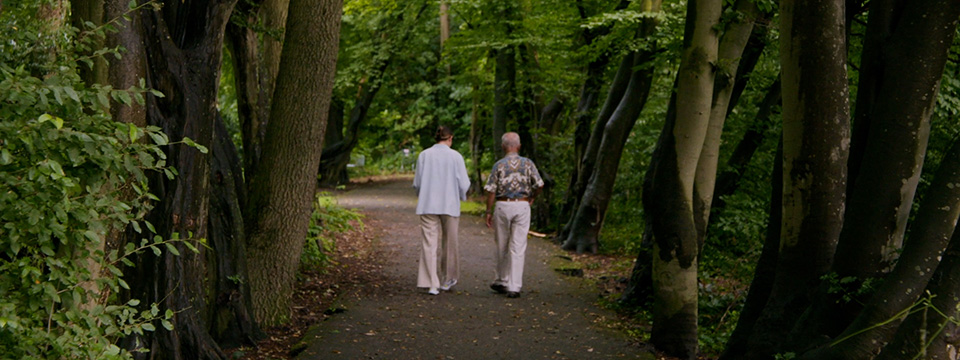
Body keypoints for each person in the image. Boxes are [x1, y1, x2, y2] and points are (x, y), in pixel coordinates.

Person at [484, 132, 544, 298]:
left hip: (503, 205)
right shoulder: (528, 164)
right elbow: (540, 184)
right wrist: (532, 196)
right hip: (523, 205)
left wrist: (488, 211)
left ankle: (502, 279)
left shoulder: (499, 165)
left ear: (504, 146)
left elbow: (490, 190)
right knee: (518, 246)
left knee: (502, 244)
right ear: (519, 146)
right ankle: (514, 286)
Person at [413, 125, 470, 295]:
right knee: (449, 243)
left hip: (428, 203)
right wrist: (461, 197)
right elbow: (464, 184)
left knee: (429, 243)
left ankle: (431, 283)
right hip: (449, 204)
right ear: (450, 138)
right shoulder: (456, 156)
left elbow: (417, 183)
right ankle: (447, 279)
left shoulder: (424, 155)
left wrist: (422, 194)